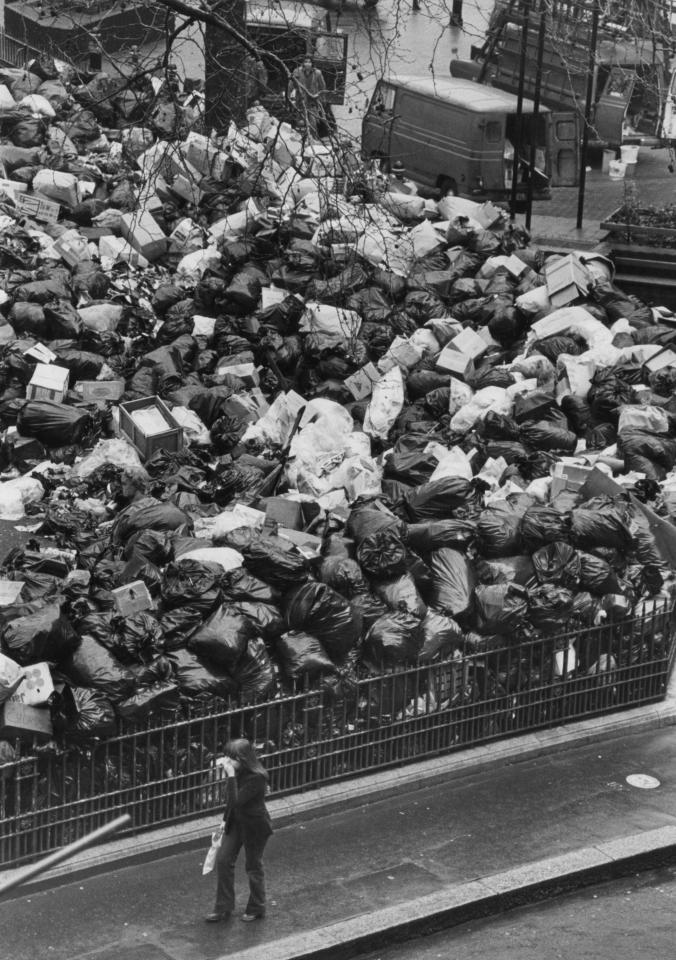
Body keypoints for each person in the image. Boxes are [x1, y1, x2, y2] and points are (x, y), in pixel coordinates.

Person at [205, 739, 273, 924]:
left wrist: (231, 776)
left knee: (253, 866)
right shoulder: (238, 772)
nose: (227, 761)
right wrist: (223, 824)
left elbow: (236, 800)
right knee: (224, 860)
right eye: (226, 756)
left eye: (232, 758)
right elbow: (230, 804)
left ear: (243, 759)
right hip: (236, 823)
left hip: (255, 827)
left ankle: (257, 907)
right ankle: (223, 907)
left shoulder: (257, 778)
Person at [289, 56, 326, 138]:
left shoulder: (317, 73)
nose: (307, 64)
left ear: (312, 63)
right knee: (300, 123)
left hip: (312, 102)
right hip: (300, 101)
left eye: (309, 62)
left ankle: (313, 140)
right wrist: (288, 97)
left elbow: (322, 87)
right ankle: (299, 141)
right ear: (303, 63)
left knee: (312, 123)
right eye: (306, 62)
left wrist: (320, 97)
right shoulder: (297, 72)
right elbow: (291, 85)